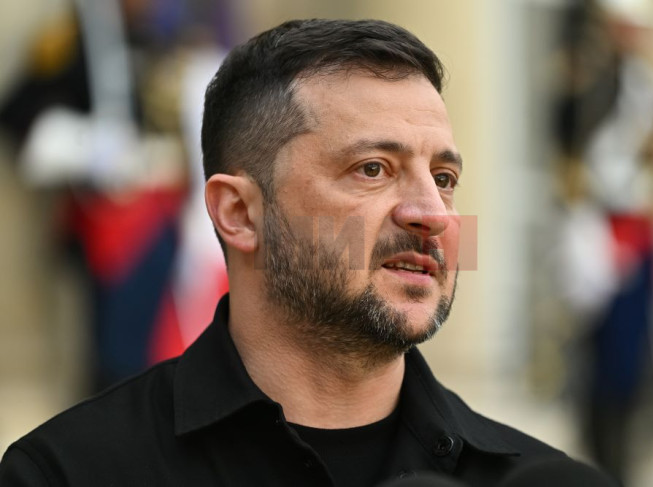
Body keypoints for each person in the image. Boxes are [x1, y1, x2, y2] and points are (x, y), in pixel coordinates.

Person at [0, 19, 590, 487]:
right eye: (373, 169)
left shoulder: (533, 476)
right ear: (239, 213)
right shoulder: (67, 473)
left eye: (443, 178)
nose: (432, 213)